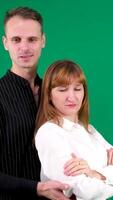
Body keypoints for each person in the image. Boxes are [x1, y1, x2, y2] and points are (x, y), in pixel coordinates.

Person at [0, 7, 76, 200]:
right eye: (16, 40)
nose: (24, 47)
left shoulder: (56, 93)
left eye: (32, 39)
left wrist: (104, 153)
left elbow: (77, 138)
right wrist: (37, 188)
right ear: (5, 43)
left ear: (43, 41)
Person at [35, 60, 113, 200]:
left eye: (77, 89)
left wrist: (94, 173)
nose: (72, 97)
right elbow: (85, 191)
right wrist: (107, 174)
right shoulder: (49, 133)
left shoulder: (89, 129)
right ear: (49, 94)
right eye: (63, 89)